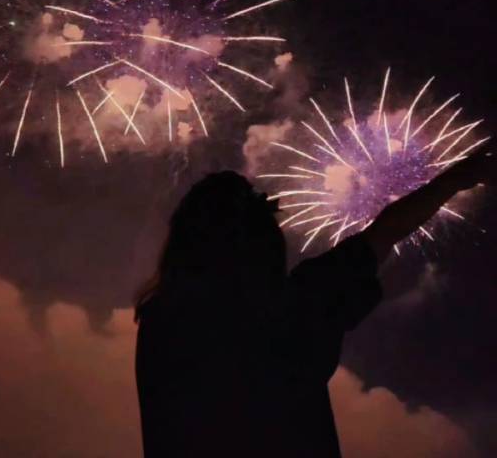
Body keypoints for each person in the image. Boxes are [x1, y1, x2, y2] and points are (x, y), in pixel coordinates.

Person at [134, 146, 493, 457]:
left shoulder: (161, 321)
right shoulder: (293, 304)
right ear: (259, 240)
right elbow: (384, 233)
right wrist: (455, 179)